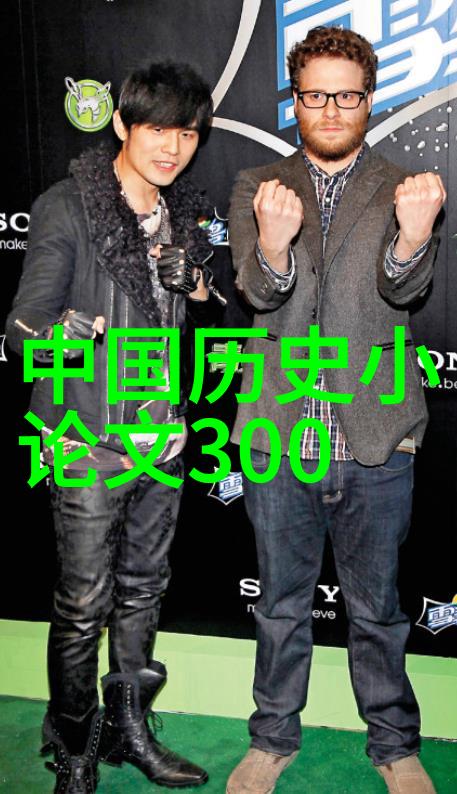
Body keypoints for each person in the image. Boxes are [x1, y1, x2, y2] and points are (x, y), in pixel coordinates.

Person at [226, 26, 445, 794]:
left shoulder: (404, 186)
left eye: (345, 96)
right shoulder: (258, 183)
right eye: (314, 94)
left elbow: (404, 291)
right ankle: (271, 739)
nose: (329, 109)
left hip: (374, 438)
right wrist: (274, 244)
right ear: (293, 99)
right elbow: (257, 292)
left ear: (368, 100)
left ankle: (393, 746)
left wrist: (411, 237)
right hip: (279, 437)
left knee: (377, 610)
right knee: (279, 605)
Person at [7, 61, 220, 793]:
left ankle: (129, 732)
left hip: (163, 438)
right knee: (82, 604)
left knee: (143, 590)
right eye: (157, 129)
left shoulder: (185, 214)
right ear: (123, 125)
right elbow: (21, 328)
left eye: (187, 133)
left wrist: (197, 285)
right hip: (86, 442)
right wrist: (56, 335)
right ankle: (73, 748)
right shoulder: (68, 207)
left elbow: (209, 318)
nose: (172, 147)